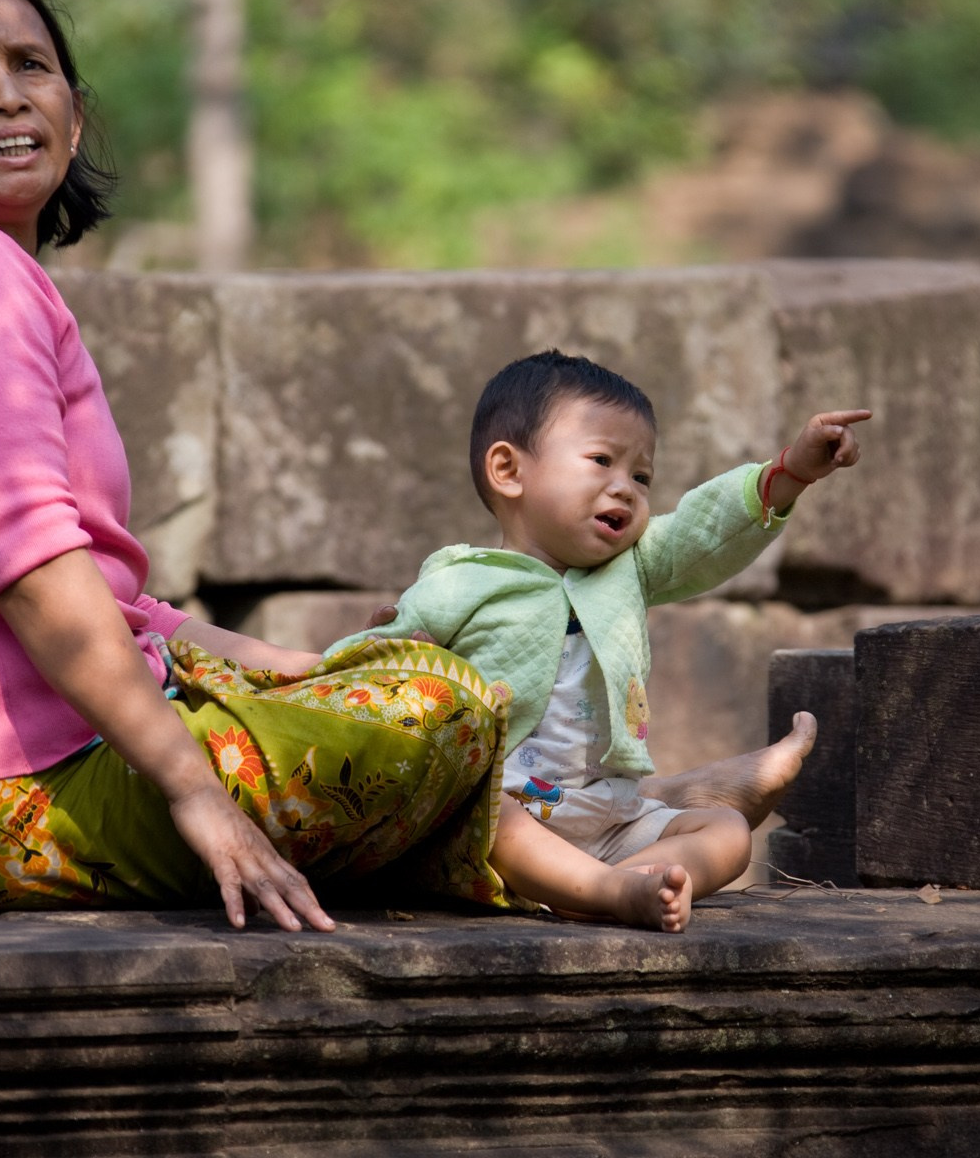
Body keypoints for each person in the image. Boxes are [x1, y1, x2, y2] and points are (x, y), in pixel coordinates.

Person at [0, 0, 515, 931]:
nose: (6, 92)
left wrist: (273, 662)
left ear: (74, 117)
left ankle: (605, 845)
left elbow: (104, 596)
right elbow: (36, 572)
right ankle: (603, 840)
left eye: (31, 65)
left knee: (368, 681)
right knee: (442, 702)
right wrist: (190, 789)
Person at [328, 351, 869, 930]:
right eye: (601, 461)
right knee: (493, 818)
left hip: (607, 813)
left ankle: (628, 881)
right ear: (509, 471)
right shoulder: (461, 580)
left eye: (641, 476)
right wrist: (378, 654)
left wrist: (791, 472)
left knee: (728, 834)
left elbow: (701, 529)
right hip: (502, 814)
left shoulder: (629, 568)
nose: (626, 489)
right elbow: (370, 667)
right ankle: (606, 892)